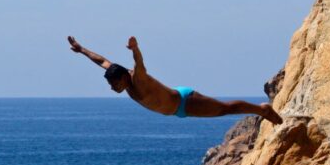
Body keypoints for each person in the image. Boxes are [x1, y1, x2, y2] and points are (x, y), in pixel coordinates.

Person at [67, 35, 283, 124]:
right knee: (222, 110)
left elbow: (140, 63)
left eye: (114, 84)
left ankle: (262, 109)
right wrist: (81, 49)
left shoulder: (137, 78)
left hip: (184, 101)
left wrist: (135, 48)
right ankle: (261, 110)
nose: (112, 88)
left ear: (124, 77)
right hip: (175, 109)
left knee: (224, 109)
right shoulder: (117, 73)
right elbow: (102, 61)